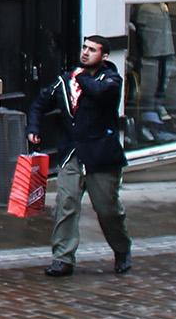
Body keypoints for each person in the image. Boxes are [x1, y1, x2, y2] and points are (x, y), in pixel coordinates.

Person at [28, 35, 132, 277]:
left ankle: (122, 248)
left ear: (104, 56)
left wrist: (81, 77)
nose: (85, 52)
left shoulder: (111, 79)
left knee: (107, 209)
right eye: (84, 47)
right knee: (66, 204)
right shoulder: (65, 81)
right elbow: (39, 103)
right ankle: (63, 258)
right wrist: (33, 128)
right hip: (72, 154)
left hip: (100, 156)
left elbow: (99, 92)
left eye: (92, 50)